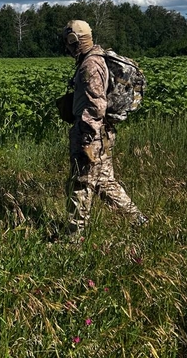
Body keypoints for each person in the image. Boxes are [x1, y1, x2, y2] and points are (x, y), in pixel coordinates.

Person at [63, 20, 147, 232]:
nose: (67, 47)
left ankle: (74, 237)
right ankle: (137, 221)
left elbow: (96, 106)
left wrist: (85, 138)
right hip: (102, 132)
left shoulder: (90, 65)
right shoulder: (95, 59)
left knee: (81, 184)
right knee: (103, 182)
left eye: (68, 41)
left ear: (74, 40)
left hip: (91, 134)